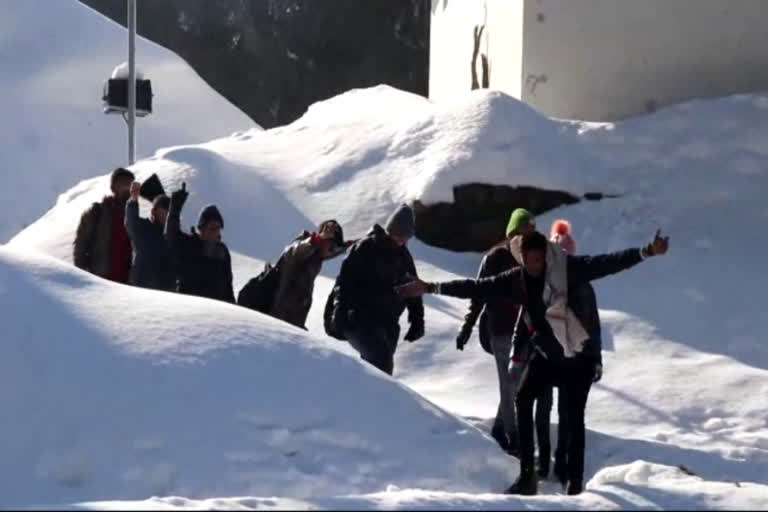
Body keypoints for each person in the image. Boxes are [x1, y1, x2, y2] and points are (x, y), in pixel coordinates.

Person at [396, 228, 670, 496]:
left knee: (573, 418)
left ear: (546, 256)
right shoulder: (518, 279)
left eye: (538, 260)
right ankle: (528, 477)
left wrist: (646, 251)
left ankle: (575, 486)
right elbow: (479, 287)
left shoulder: (568, 269)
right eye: (528, 261)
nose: (533, 266)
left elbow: (608, 263)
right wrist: (430, 287)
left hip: (578, 357)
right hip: (547, 356)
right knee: (524, 398)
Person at [455, 208, 536, 456]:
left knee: (519, 384)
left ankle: (501, 429)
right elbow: (478, 293)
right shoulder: (495, 258)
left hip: (526, 332)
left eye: (532, 231)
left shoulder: (534, 259)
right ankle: (513, 441)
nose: (529, 235)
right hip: (500, 330)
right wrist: (467, 326)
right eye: (524, 231)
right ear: (512, 233)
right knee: (510, 384)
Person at [329, 204, 425, 375]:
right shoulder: (365, 248)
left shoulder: (403, 256)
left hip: (388, 323)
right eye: (398, 235)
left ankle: (364, 397)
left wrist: (417, 320)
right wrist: (339, 314)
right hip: (360, 319)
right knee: (381, 362)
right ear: (390, 229)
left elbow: (413, 287)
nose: (401, 240)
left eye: (405, 237)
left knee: (379, 369)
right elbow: (344, 284)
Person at [268, 220, 352, 329]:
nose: (331, 252)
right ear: (323, 240)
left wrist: (355, 244)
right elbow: (295, 251)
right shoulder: (300, 249)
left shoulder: (318, 255)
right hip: (278, 320)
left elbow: (336, 250)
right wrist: (317, 239)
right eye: (331, 247)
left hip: (294, 322)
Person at [164, 182, 235, 303]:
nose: (216, 232)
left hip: (219, 310)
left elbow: (228, 284)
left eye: (219, 228)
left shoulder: (222, 251)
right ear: (201, 229)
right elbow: (171, 235)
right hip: (193, 309)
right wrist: (174, 209)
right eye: (212, 228)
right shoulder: (190, 245)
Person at [73, 167, 135, 283]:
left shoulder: (134, 217)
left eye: (131, 185)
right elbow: (80, 250)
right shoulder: (96, 214)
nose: (128, 188)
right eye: (123, 184)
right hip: (101, 285)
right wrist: (84, 281)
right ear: (113, 188)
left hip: (128, 288)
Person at [123, 181, 175, 291]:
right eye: (165, 207)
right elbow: (131, 222)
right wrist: (133, 200)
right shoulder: (144, 229)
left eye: (170, 208)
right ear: (153, 211)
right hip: (143, 288)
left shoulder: (173, 236)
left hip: (167, 292)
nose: (168, 212)